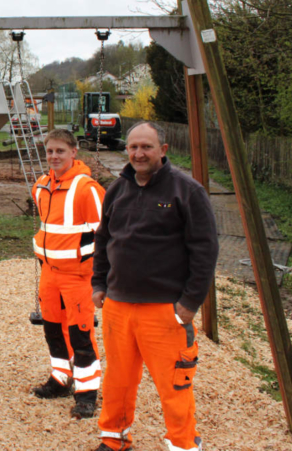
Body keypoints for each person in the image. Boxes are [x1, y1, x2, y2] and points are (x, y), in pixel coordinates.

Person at [91, 121, 219, 451]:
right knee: (117, 381)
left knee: (174, 386)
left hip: (165, 310)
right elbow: (104, 238)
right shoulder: (117, 190)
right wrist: (99, 283)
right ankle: (114, 439)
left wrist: (190, 303)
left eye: (146, 146)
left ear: (162, 150)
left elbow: (204, 250)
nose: (138, 153)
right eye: (133, 147)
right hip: (119, 306)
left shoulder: (187, 191)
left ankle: (183, 445)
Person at [30, 128, 105, 419]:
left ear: (74, 152)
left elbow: (106, 236)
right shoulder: (40, 187)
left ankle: (86, 394)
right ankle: (61, 379)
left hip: (78, 277)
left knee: (81, 335)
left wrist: (100, 277)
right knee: (52, 330)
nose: (54, 156)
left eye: (60, 151)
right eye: (49, 151)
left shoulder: (87, 189)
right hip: (49, 273)